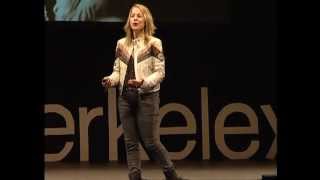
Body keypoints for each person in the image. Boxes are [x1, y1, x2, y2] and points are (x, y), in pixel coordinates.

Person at [101, 4, 188, 180]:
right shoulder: (121, 44)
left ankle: (171, 175)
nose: (134, 18)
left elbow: (160, 73)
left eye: (139, 16)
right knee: (130, 142)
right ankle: (135, 177)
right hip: (125, 98)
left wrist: (143, 83)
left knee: (151, 142)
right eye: (132, 15)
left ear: (145, 20)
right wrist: (111, 80)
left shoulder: (154, 43)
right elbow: (118, 71)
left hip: (147, 97)